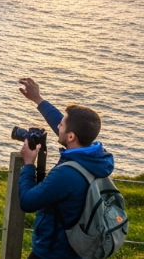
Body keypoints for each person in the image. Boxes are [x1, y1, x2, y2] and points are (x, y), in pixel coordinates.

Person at [17, 78, 114, 259]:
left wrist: (29, 164)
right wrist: (39, 100)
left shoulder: (66, 175)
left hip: (53, 252)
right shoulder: (95, 156)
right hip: (77, 249)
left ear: (71, 136)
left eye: (62, 124)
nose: (57, 126)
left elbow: (27, 201)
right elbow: (62, 125)